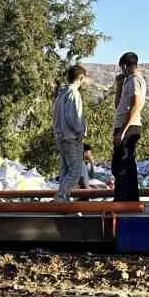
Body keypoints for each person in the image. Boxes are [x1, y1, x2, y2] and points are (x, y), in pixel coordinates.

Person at [112, 51, 145, 201]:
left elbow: (135, 105)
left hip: (129, 127)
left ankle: (126, 198)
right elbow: (118, 105)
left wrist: (123, 131)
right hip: (123, 125)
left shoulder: (134, 80)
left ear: (124, 66)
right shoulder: (127, 81)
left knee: (124, 164)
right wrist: (119, 85)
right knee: (119, 162)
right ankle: (123, 196)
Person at [52, 65, 88, 200]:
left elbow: (56, 116)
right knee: (75, 171)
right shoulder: (73, 93)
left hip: (61, 137)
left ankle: (63, 199)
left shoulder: (61, 94)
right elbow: (74, 116)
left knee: (65, 170)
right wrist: (80, 131)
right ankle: (61, 197)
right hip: (71, 138)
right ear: (81, 77)